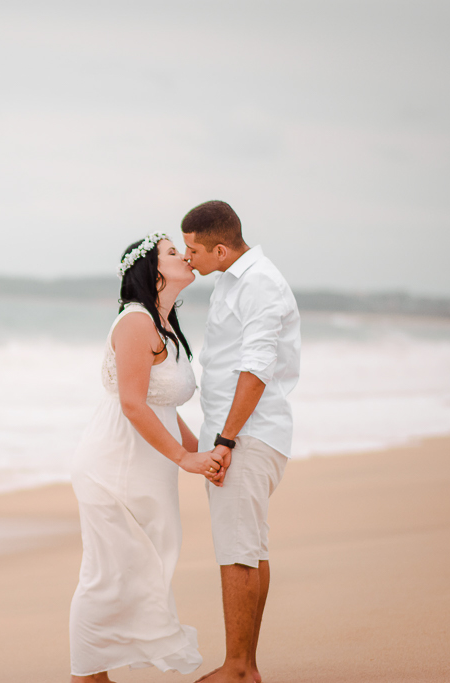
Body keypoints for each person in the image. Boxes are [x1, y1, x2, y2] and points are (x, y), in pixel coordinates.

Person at [69, 232, 223, 683]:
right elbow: (133, 403)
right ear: (152, 271)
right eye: (175, 252)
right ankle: (87, 677)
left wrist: (203, 453)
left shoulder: (165, 324)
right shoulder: (136, 322)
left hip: (146, 467)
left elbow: (163, 408)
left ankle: (96, 672)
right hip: (114, 466)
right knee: (107, 574)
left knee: (136, 573)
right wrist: (183, 458)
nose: (186, 256)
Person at [180, 201, 301, 683]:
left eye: (193, 249)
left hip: (246, 434)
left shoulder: (259, 284)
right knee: (249, 548)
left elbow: (256, 369)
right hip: (239, 431)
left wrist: (226, 440)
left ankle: (237, 668)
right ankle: (245, 664)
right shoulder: (234, 278)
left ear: (221, 247)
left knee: (236, 551)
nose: (188, 257)